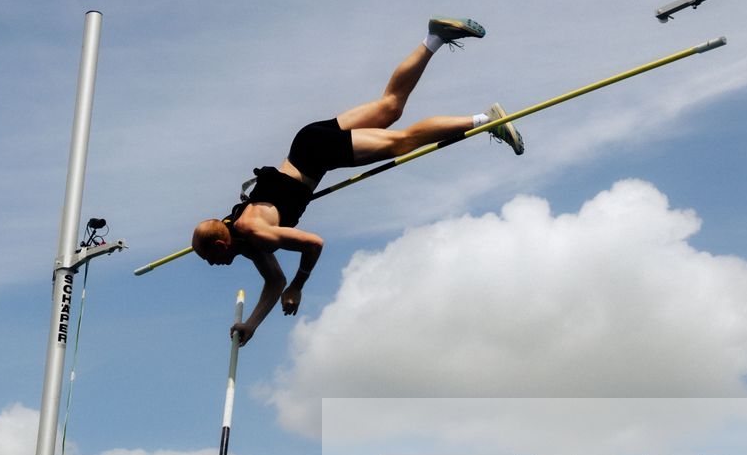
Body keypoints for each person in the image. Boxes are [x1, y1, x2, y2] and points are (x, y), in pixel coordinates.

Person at [190, 17, 525, 345]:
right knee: (390, 107)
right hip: (305, 144)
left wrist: (300, 284)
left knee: (402, 141)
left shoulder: (253, 232)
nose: (211, 265)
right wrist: (251, 324)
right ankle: (435, 37)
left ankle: (486, 120)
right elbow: (274, 281)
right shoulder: (245, 240)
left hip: (316, 154)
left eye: (208, 258)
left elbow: (313, 243)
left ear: (221, 246)